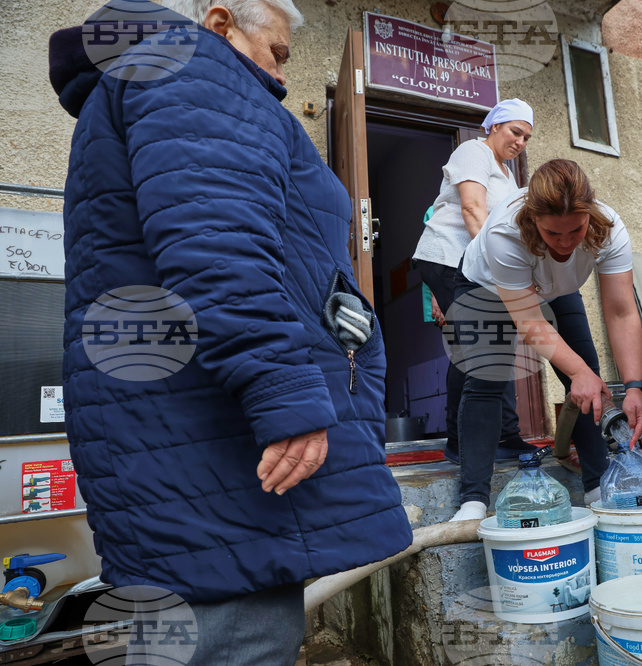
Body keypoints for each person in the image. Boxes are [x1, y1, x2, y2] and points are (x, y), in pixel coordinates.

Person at [49, 0, 412, 663]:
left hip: (186, 443)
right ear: (220, 25)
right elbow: (217, 244)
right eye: (276, 53)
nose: (280, 79)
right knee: (235, 639)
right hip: (221, 452)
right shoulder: (198, 71)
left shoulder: (152, 83)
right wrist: (284, 391)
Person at [450, 159, 642, 521]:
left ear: (590, 215)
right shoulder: (505, 233)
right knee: (487, 379)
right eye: (552, 234)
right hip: (486, 287)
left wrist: (634, 387)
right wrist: (578, 372)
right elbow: (528, 320)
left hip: (557, 289)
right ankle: (473, 501)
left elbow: (621, 312)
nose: (564, 243)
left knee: (587, 374)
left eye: (575, 231)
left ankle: (597, 484)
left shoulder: (609, 229)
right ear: (533, 221)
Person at [412, 99, 538, 463]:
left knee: (491, 345)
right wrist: (500, 266)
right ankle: (463, 441)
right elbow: (472, 208)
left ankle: (503, 436)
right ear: (494, 126)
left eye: (527, 137)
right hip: (449, 257)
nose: (520, 142)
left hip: (476, 265)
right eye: (516, 132)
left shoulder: (508, 174)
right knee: (477, 348)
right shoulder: (473, 151)